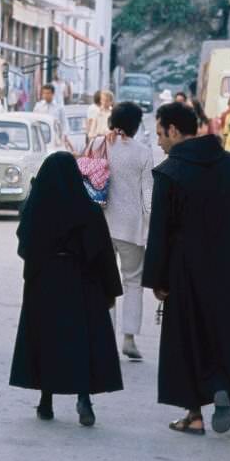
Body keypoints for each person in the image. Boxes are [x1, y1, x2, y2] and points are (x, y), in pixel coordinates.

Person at [143, 103, 230, 435]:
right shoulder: (228, 165)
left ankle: (194, 415)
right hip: (228, 264)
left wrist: (157, 278)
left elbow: (159, 231)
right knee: (224, 329)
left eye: (160, 133)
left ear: (173, 130)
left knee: (187, 337)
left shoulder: (169, 173)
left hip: (184, 269)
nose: (159, 142)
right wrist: (223, 236)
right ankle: (222, 386)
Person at [10, 152, 124, 426]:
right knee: (81, 341)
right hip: (80, 281)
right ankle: (84, 399)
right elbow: (102, 253)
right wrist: (109, 290)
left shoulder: (35, 211)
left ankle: (46, 401)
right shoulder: (88, 210)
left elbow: (24, 247)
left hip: (45, 283)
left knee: (46, 339)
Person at [102, 102, 154, 360]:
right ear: (136, 125)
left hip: (101, 224)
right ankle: (129, 337)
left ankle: (105, 336)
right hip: (132, 227)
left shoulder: (99, 145)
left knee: (104, 281)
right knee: (132, 281)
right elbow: (147, 194)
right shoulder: (143, 152)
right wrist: (149, 224)